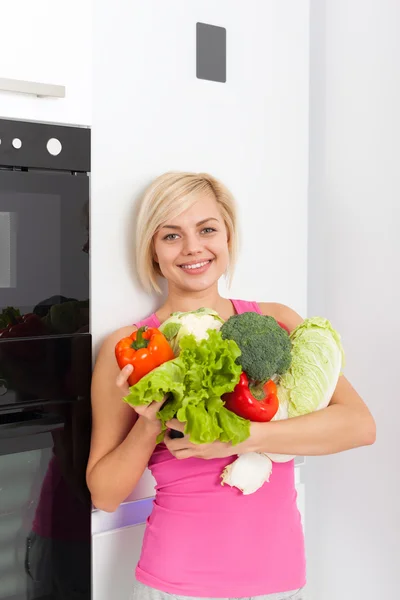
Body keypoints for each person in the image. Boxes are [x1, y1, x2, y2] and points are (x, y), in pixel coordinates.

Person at [86, 171, 376, 600]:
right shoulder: (131, 346)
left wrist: (242, 438)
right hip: (176, 585)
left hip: (280, 581)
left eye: (207, 229)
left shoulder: (275, 321)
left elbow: (359, 425)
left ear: (227, 237)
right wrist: (148, 425)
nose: (192, 248)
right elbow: (106, 494)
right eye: (171, 235)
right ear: (152, 250)